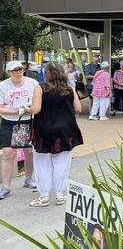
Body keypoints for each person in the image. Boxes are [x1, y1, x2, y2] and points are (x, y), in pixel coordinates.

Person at [28, 62, 83, 207]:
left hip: (44, 130)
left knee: (42, 164)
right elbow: (78, 108)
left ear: (46, 74)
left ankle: (44, 197)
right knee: (62, 164)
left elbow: (36, 109)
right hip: (66, 130)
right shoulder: (69, 88)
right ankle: (60, 195)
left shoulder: (40, 88)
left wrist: (26, 109)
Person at [0, 61, 39, 200]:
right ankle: (5, 187)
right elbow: (0, 108)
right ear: (9, 72)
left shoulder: (32, 83)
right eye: (14, 70)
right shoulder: (3, 86)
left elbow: (38, 102)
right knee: (8, 153)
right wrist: (16, 111)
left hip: (27, 121)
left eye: (20, 69)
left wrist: (29, 109)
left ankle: (29, 178)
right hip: (9, 122)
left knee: (29, 151)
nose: (18, 72)